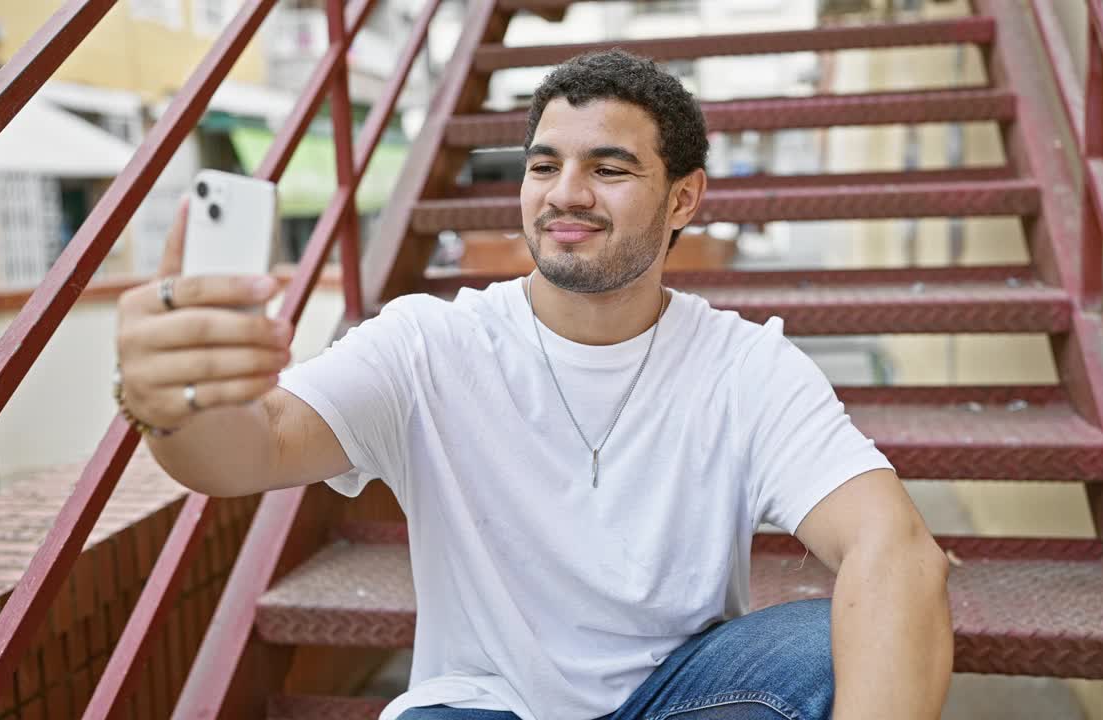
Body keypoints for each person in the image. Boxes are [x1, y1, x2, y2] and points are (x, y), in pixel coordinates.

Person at [115, 50, 952, 720]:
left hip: (679, 698)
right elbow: (251, 449)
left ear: (684, 199)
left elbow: (895, 550)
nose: (565, 195)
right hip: (482, 707)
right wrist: (168, 408)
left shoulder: (747, 366)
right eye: (543, 164)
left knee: (834, 638)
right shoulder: (429, 342)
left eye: (611, 169)